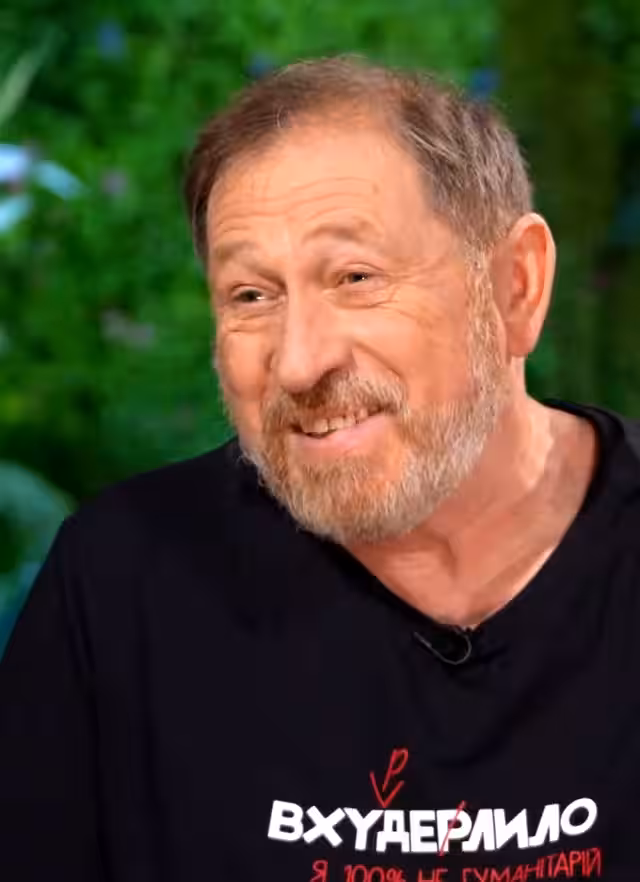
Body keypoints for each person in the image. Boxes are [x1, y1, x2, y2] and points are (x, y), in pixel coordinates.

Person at [0, 55, 638, 882]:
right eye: (251, 296)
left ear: (516, 285)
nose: (299, 363)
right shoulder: (122, 581)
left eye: (356, 278)